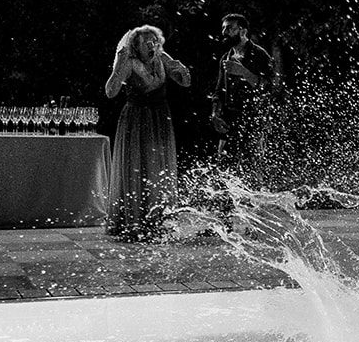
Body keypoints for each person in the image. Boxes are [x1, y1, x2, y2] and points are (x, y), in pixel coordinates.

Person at [104, 24, 192, 241]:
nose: (152, 45)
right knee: (136, 164)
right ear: (136, 45)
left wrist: (182, 71)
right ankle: (134, 221)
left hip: (160, 118)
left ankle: (158, 220)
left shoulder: (162, 58)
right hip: (136, 119)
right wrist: (119, 65)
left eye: (154, 41)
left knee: (158, 165)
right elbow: (110, 92)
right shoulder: (129, 63)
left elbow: (184, 82)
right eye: (147, 42)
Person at [210, 13, 284, 171]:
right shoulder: (225, 58)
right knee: (223, 169)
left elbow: (270, 87)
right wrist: (215, 114)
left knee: (252, 169)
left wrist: (244, 72)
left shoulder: (260, 55)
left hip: (254, 119)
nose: (224, 32)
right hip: (229, 120)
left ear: (243, 31)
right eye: (223, 28)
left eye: (229, 28)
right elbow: (218, 92)